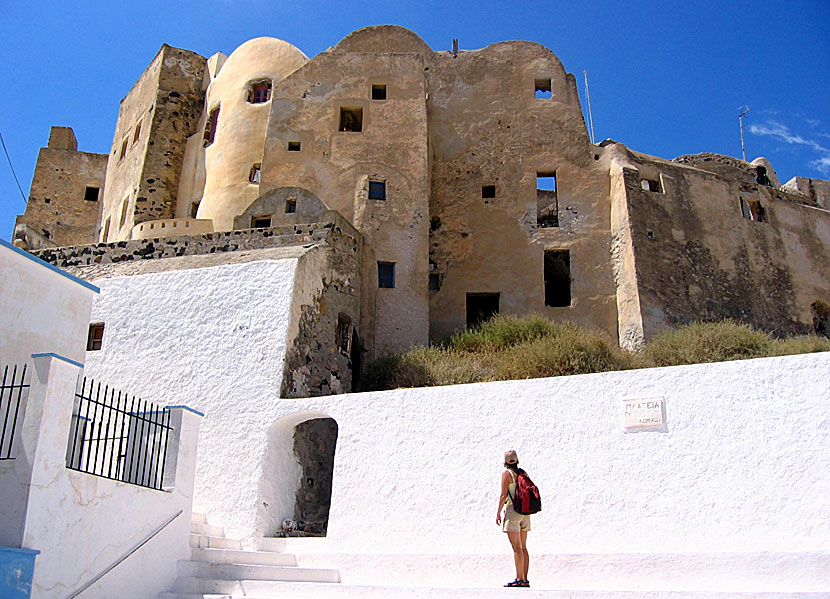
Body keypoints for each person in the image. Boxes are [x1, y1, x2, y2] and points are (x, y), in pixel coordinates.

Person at [496, 449, 530, 587]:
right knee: (523, 547)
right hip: (525, 513)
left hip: (513, 512)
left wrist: (498, 512)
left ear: (505, 462)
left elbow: (503, 495)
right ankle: (525, 579)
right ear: (517, 460)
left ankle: (519, 579)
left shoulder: (507, 474)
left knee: (516, 548)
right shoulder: (523, 473)